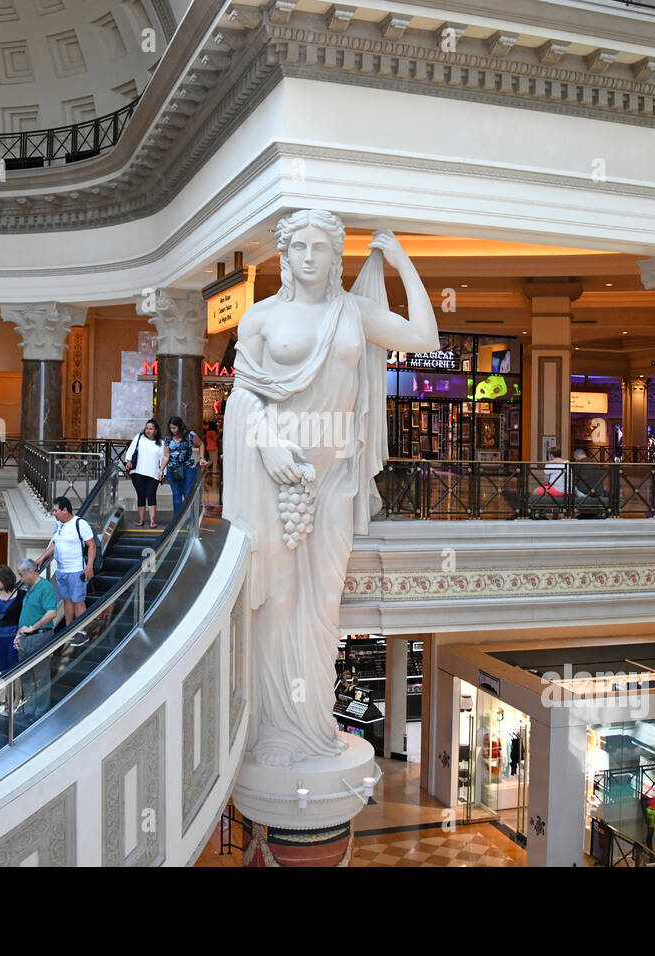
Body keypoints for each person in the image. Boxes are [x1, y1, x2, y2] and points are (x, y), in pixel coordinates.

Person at [221, 211, 438, 768]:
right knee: (277, 599)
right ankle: (274, 729)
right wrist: (267, 442)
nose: (310, 257)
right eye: (300, 247)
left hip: (333, 480)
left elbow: (423, 338)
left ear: (336, 256)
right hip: (276, 476)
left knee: (322, 605)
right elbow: (242, 396)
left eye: (321, 247)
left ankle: (313, 724)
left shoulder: (353, 312)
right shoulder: (261, 317)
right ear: (286, 255)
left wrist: (402, 262)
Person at [35, 497, 95, 629]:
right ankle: (68, 629)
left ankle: (83, 632)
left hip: (76, 571)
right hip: (61, 571)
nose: (53, 513)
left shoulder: (80, 523)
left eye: (55, 510)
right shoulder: (59, 525)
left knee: (78, 601)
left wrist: (89, 566)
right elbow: (54, 543)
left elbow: (91, 545)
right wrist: (43, 557)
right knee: (66, 600)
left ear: (65, 510)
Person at [13, 558, 58, 721]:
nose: (21, 578)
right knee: (26, 676)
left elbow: (52, 613)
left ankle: (40, 711)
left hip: (39, 636)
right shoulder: (29, 589)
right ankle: (29, 709)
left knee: (40, 676)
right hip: (25, 638)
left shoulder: (45, 587)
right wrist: (19, 635)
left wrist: (32, 627)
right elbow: (27, 614)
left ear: (31, 571)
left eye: (22, 574)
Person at [161, 415, 208, 515]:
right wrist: (161, 470)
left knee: (187, 494)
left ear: (180, 426)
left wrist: (201, 458)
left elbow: (201, 444)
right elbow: (166, 456)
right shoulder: (168, 438)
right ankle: (177, 520)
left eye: (174, 428)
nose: (172, 430)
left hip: (188, 469)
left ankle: (190, 518)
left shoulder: (190, 435)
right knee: (176, 495)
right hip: (173, 470)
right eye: (171, 428)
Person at [123, 419, 165, 528]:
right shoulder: (139, 437)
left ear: (156, 430)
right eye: (146, 428)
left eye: (151, 429)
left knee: (151, 495)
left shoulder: (161, 443)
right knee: (141, 495)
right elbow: (131, 450)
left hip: (154, 474)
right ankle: (141, 520)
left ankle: (152, 521)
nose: (148, 431)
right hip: (138, 472)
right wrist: (128, 461)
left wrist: (163, 472)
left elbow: (163, 459)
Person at [0, 564, 23, 679]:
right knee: (2, 670)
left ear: (5, 579)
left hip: (13, 637)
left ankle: (17, 691)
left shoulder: (21, 595)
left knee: (15, 670)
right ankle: (7, 690)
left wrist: (20, 634)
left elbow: (25, 617)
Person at [640, 777, 655, 856]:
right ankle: (651, 854)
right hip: (650, 810)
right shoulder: (645, 786)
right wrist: (646, 815)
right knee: (650, 833)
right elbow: (643, 802)